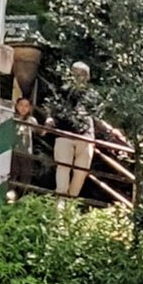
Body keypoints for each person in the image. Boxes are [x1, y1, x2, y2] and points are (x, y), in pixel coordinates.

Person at [48, 61, 103, 198]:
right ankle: (60, 204)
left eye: (82, 74)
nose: (78, 77)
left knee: (81, 172)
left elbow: (96, 115)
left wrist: (109, 130)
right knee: (63, 168)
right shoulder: (62, 91)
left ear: (87, 76)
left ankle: (71, 201)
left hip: (86, 136)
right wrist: (49, 118)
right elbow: (52, 106)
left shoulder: (92, 95)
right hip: (64, 133)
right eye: (75, 73)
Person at [9, 95, 46, 197]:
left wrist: (48, 124)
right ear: (16, 106)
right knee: (13, 173)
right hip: (13, 151)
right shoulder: (11, 118)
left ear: (29, 108)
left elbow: (41, 132)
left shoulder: (31, 120)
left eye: (26, 106)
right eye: (21, 105)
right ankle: (9, 195)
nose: (23, 108)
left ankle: (21, 196)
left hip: (27, 153)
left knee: (26, 176)